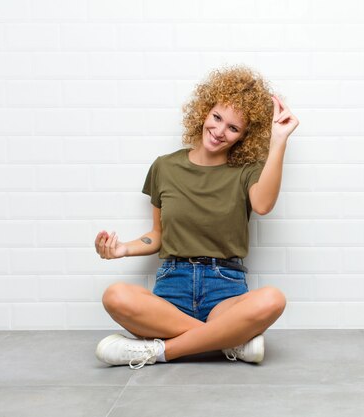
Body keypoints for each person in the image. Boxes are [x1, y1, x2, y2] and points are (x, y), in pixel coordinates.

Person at [93, 65, 299, 369]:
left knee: (273, 299)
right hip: (171, 289)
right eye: (217, 117)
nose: (219, 131)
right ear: (204, 110)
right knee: (116, 295)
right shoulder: (165, 167)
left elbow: (264, 205)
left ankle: (157, 351)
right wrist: (123, 249)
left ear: (244, 136)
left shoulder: (247, 172)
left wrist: (279, 139)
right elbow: (158, 235)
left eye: (233, 128)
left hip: (225, 290)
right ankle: (228, 342)